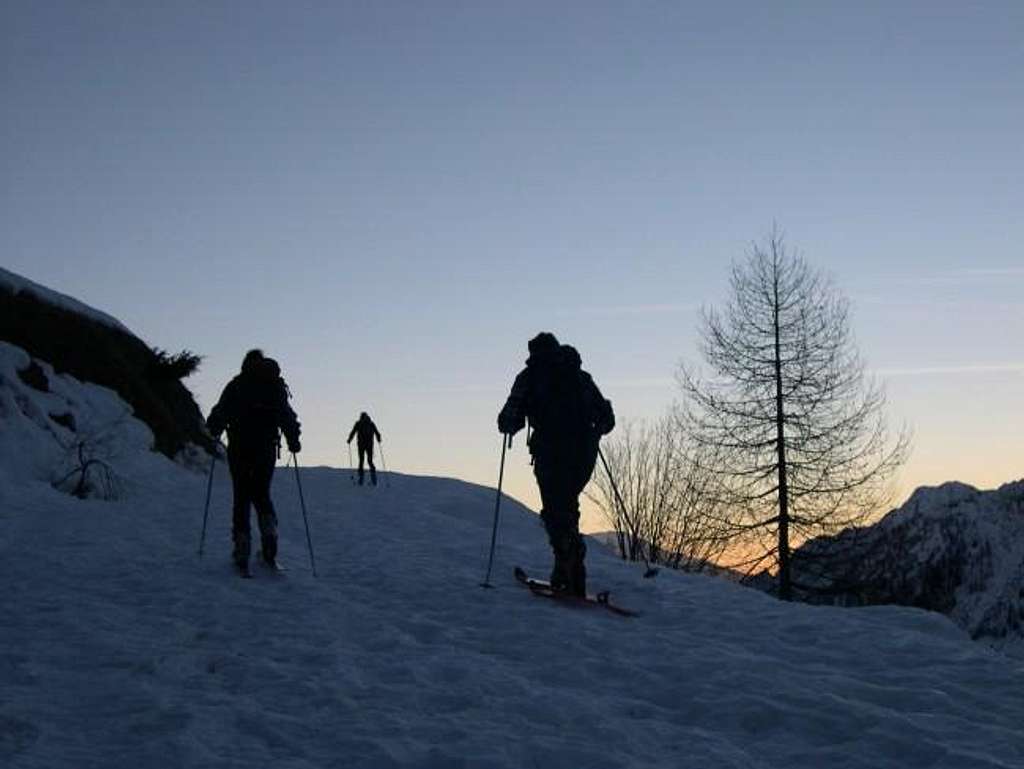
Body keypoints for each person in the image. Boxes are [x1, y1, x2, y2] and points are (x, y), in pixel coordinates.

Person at [498, 333, 614, 596]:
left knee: (555, 512)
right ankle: (571, 571)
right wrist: (593, 432)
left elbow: (510, 418)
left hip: (550, 452)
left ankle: (568, 570)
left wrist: (507, 424)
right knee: (566, 507)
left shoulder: (530, 377)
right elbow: (607, 417)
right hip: (584, 453)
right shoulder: (578, 376)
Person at [206, 349, 301, 574]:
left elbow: (220, 413)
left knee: (242, 496)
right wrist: (293, 440)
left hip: (239, 446)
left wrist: (214, 429)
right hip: (266, 448)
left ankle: (242, 549)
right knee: (261, 493)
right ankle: (269, 534)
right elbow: (286, 415)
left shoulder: (237, 385)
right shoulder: (273, 386)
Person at [347, 411, 382, 486]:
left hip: (361, 445)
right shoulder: (371, 423)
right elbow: (377, 433)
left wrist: (349, 439)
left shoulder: (358, 423)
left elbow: (353, 432)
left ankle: (361, 479)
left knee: (361, 460)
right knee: (370, 461)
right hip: (370, 445)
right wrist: (379, 439)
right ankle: (374, 480)